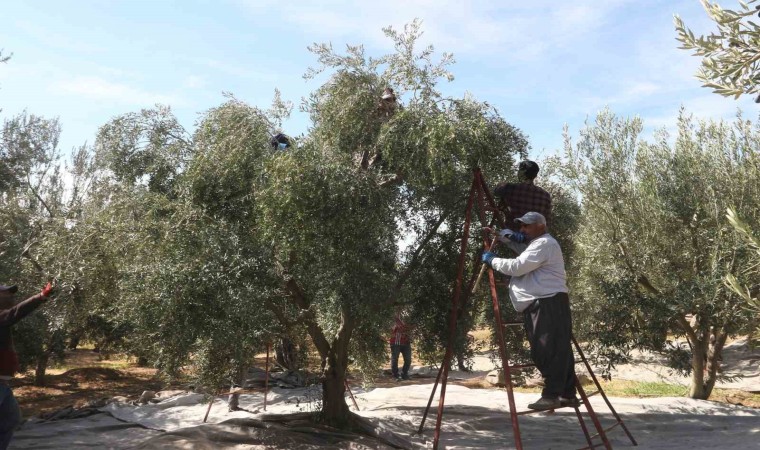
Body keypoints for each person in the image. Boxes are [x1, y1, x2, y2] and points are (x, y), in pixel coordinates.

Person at [481, 212, 578, 410]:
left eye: (526, 226)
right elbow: (522, 250)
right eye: (521, 227)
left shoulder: (544, 244)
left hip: (546, 303)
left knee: (546, 351)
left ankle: (551, 395)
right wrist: (502, 236)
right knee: (559, 350)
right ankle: (568, 394)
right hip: (549, 302)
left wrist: (493, 260)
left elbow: (517, 266)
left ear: (540, 226)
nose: (522, 230)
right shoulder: (539, 244)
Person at [0, 282, 55, 450]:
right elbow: (15, 313)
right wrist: (41, 297)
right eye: (5, 293)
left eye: (10, 293)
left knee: (11, 418)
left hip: (2, 384)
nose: (10, 295)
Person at [493, 160, 552, 231]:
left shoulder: (510, 188)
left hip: (512, 236)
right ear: (535, 175)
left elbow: (496, 191)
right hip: (534, 239)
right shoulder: (545, 195)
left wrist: (502, 184)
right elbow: (547, 221)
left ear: (522, 172)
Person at [388, 311, 412, 381]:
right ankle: (395, 375)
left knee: (408, 359)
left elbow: (410, 329)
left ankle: (404, 374)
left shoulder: (408, 319)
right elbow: (390, 330)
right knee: (395, 359)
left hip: (406, 342)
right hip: (395, 343)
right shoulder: (392, 320)